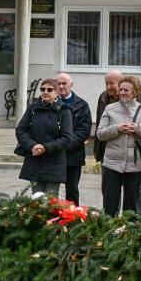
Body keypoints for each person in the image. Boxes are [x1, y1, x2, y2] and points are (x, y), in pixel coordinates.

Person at [96, 76, 141, 216]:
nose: (122, 92)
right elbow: (100, 134)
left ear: (135, 92)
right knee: (110, 205)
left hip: (135, 165)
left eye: (126, 90)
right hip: (112, 163)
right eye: (121, 89)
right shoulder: (109, 108)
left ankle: (129, 234)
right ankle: (109, 233)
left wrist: (138, 129)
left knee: (132, 207)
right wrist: (117, 128)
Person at [15, 78, 73, 196]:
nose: (45, 92)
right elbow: (21, 130)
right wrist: (32, 146)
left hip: (54, 162)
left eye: (49, 89)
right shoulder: (33, 108)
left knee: (51, 201)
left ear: (57, 92)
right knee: (36, 200)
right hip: (35, 159)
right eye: (42, 89)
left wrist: (45, 147)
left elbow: (67, 137)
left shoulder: (64, 110)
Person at [55, 73, 92, 205]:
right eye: (58, 84)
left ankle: (73, 219)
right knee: (51, 191)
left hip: (73, 155)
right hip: (51, 155)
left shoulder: (82, 105)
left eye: (64, 83)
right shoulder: (49, 102)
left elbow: (83, 131)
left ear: (71, 84)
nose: (61, 86)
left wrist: (62, 145)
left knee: (71, 190)